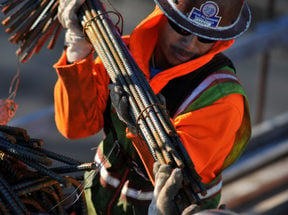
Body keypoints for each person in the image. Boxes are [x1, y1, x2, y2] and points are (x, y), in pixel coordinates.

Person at [54, 0, 252, 214]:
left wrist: (137, 125)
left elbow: (173, 177)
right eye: (182, 28)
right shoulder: (123, 57)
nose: (189, 44)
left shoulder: (219, 98)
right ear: (162, 16)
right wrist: (78, 51)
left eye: (205, 37)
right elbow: (76, 127)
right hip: (96, 201)